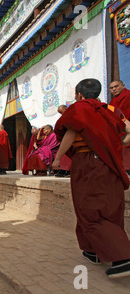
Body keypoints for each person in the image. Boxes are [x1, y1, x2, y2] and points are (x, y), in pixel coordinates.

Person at [53, 78, 130, 279]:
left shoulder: (79, 108)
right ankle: (93, 251)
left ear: (79, 94)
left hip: (88, 163)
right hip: (110, 164)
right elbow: (128, 128)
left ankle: (123, 258)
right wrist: (116, 146)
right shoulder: (110, 110)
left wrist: (58, 158)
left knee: (90, 209)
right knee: (110, 206)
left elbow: (71, 131)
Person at [109, 80, 130, 173]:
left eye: (116, 86)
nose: (114, 89)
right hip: (118, 127)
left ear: (123, 86)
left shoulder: (128, 96)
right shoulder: (114, 100)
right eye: (111, 88)